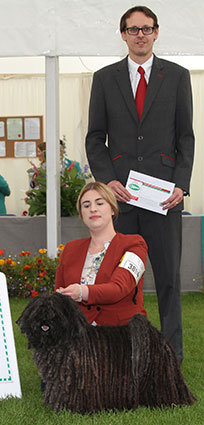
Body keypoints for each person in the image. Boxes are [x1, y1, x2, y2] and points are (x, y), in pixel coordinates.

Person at [85, 6, 194, 362]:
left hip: (165, 198)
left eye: (146, 29)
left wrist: (181, 184)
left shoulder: (177, 76)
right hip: (122, 197)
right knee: (120, 280)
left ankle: (171, 357)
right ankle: (121, 354)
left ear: (156, 32)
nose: (140, 35)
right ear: (123, 35)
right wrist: (108, 181)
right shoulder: (104, 78)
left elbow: (186, 138)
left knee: (168, 279)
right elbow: (94, 138)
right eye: (133, 30)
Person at [55, 182, 148, 326]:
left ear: (112, 209)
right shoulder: (70, 249)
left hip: (123, 333)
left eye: (99, 203)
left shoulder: (134, 244)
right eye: (86, 205)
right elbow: (59, 298)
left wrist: (82, 292)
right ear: (82, 214)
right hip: (80, 335)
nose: (93, 209)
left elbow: (119, 288)